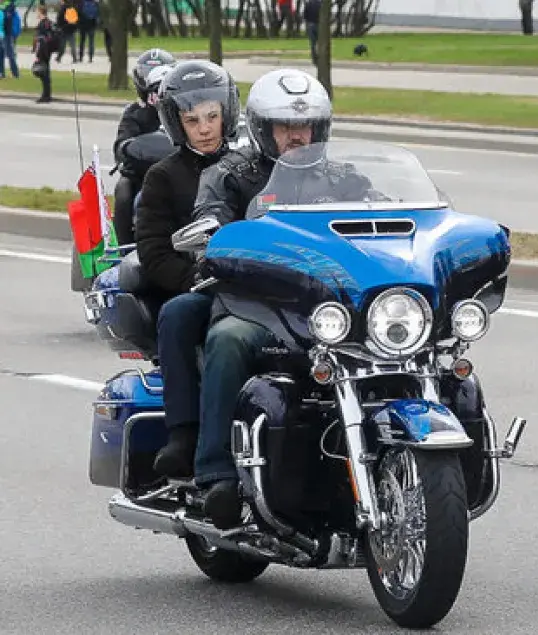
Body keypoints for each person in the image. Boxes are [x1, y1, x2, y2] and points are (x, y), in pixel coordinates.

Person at [184, 68, 335, 529]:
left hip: (331, 310)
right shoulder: (229, 175)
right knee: (227, 340)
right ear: (261, 128)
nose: (297, 135)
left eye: (306, 125)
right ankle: (215, 473)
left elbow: (386, 217)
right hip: (254, 305)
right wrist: (217, 240)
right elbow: (210, 232)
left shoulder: (343, 177)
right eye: (285, 126)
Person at [136, 60, 240, 479]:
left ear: (227, 112)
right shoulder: (163, 177)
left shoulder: (252, 165)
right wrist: (194, 279)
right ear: (176, 123)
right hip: (200, 286)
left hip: (261, 287)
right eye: (192, 120)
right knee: (177, 313)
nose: (205, 128)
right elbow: (154, 251)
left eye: (212, 116)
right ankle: (183, 433)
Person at [112, 48, 177, 246]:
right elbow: (121, 145)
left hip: (179, 168)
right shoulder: (134, 113)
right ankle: (124, 247)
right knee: (123, 191)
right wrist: (128, 149)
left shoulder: (182, 107)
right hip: (143, 174)